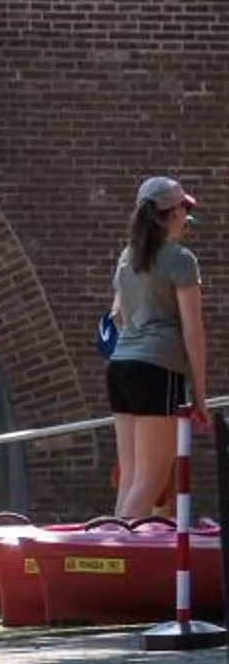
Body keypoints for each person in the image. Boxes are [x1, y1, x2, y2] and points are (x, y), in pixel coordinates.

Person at [107, 173, 207, 521]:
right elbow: (193, 332)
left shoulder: (126, 258)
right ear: (174, 213)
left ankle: (105, 550)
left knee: (131, 478)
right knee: (151, 479)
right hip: (157, 369)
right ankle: (114, 561)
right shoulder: (181, 259)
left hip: (120, 367)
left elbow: (117, 316)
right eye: (184, 208)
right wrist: (200, 398)